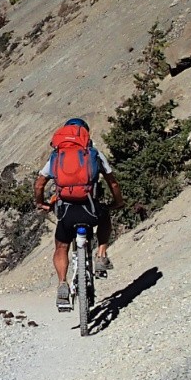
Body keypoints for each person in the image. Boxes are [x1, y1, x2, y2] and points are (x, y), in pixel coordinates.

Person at [33, 118, 123, 310]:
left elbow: (39, 184)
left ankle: (62, 283)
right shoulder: (94, 154)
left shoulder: (56, 156)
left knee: (61, 246)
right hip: (91, 209)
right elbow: (112, 182)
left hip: (66, 211)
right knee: (105, 214)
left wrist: (41, 202)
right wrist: (118, 202)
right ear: (85, 134)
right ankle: (101, 254)